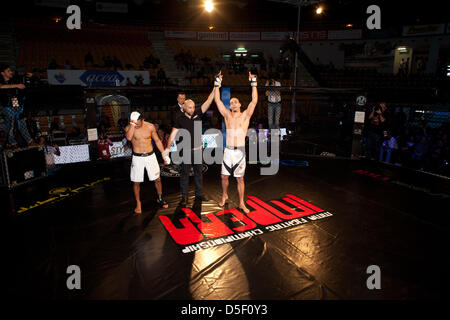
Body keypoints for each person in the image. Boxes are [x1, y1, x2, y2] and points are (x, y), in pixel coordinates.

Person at [214, 70, 258, 213]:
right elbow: (217, 101)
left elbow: (254, 101)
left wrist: (253, 83)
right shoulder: (227, 115)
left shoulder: (245, 115)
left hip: (239, 152)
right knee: (224, 176)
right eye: (231, 102)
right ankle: (225, 195)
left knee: (240, 179)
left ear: (239, 104)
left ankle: (241, 203)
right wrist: (217, 83)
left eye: (235, 101)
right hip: (228, 151)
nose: (232, 103)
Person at [164, 88, 216, 206]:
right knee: (184, 174)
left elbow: (208, 101)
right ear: (184, 107)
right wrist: (167, 149)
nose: (192, 109)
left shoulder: (197, 114)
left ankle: (199, 194)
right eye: (190, 107)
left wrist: (215, 86)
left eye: (193, 107)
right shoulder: (179, 119)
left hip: (198, 150)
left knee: (199, 173)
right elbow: (172, 134)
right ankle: (184, 196)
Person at [125, 109, 169, 214]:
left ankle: (160, 198)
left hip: (150, 156)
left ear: (143, 119)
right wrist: (132, 124)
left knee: (157, 179)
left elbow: (157, 141)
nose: (136, 125)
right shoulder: (130, 127)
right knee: (136, 182)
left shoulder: (150, 126)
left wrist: (164, 154)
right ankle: (138, 203)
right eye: (134, 122)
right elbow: (129, 137)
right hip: (137, 157)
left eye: (138, 122)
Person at [0, 64, 35, 148]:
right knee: (11, 126)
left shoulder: (13, 80)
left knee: (22, 122)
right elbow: (1, 86)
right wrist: (16, 85)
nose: (10, 72)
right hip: (6, 106)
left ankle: (30, 141)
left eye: (10, 70)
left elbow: (21, 78)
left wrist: (28, 75)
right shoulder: (1, 81)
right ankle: (13, 143)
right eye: (8, 71)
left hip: (15, 104)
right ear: (2, 73)